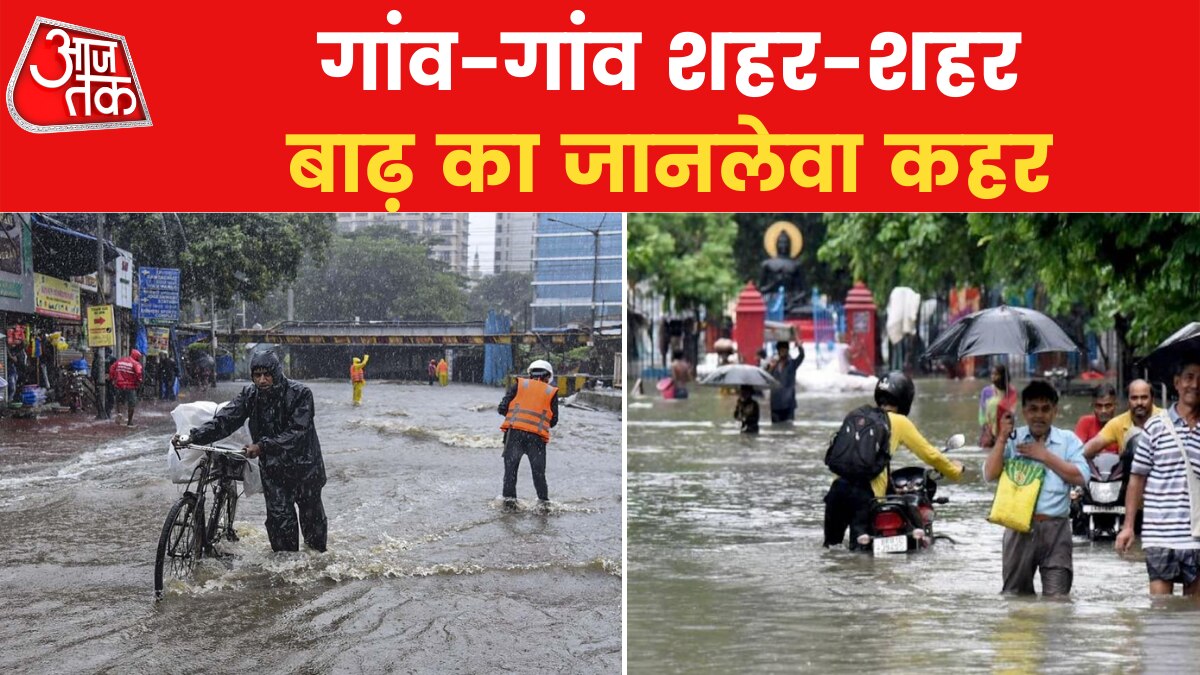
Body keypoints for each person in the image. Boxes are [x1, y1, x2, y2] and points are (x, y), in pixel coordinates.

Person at [174, 351, 328, 552]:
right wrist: (194, 436)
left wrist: (262, 446)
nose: (262, 380)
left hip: (305, 469)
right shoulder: (250, 395)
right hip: (274, 470)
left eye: (267, 375)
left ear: (277, 373)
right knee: (280, 523)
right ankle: (287, 574)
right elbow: (226, 420)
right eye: (257, 376)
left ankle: (316, 566)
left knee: (312, 522)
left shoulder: (301, 394)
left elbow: (297, 432)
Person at [823, 372, 964, 549]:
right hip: (865, 495)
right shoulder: (899, 421)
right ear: (906, 399)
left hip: (837, 491)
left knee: (831, 549)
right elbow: (930, 454)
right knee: (860, 555)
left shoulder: (858, 415)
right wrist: (955, 471)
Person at [984, 380, 1089, 596]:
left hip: (1056, 529)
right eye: (1033, 409)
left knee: (1058, 602)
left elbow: (1081, 478)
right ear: (1023, 411)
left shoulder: (1068, 441)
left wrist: (1045, 456)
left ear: (1055, 411)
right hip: (1018, 528)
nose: (1039, 415)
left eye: (1045, 409)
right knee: (1016, 600)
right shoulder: (1013, 439)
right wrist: (1002, 438)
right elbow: (989, 474)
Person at [1116, 358, 1200, 596]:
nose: (1194, 385)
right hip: (1159, 534)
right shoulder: (1155, 427)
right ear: (1177, 383)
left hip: (1197, 536)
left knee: (1193, 619)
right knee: (1160, 612)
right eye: (1189, 378)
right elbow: (1136, 479)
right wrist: (1128, 527)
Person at [498, 359, 560, 510]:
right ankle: (544, 506)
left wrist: (516, 417)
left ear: (530, 373)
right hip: (536, 438)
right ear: (548, 377)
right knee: (538, 474)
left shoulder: (519, 385)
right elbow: (553, 421)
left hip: (514, 435)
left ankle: (509, 506)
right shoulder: (550, 392)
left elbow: (502, 408)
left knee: (510, 474)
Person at [1083, 379, 1161, 460]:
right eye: (1134, 398)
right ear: (1128, 401)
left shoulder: (1166, 419)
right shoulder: (1117, 423)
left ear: (1152, 399)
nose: (1139, 402)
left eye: (1144, 398)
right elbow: (1088, 449)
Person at [978, 363, 1017, 447]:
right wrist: (985, 429)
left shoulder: (1011, 392)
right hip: (989, 429)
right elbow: (982, 412)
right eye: (992, 374)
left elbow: (1012, 412)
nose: (993, 376)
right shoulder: (986, 391)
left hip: (1004, 429)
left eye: (996, 374)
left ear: (1003, 376)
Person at [767, 340, 804, 423]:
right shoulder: (773, 364)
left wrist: (799, 346)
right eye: (781, 350)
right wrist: (770, 367)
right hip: (775, 403)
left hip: (788, 403)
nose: (783, 352)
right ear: (778, 351)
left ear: (788, 350)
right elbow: (766, 377)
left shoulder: (792, 364)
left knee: (789, 426)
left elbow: (801, 356)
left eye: (785, 350)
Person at [1074, 382, 1118, 452]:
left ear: (1115, 405)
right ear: (1093, 406)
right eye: (1099, 406)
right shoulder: (1085, 422)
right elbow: (1076, 451)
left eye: (1108, 406)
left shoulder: (1122, 425)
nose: (1103, 411)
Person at [108, 349, 143, 426]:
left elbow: (112, 369)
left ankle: (119, 413)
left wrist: (112, 378)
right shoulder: (135, 364)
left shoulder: (120, 361)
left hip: (119, 385)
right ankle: (129, 421)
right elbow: (139, 374)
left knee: (119, 401)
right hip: (130, 387)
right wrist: (139, 382)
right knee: (131, 403)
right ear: (136, 357)